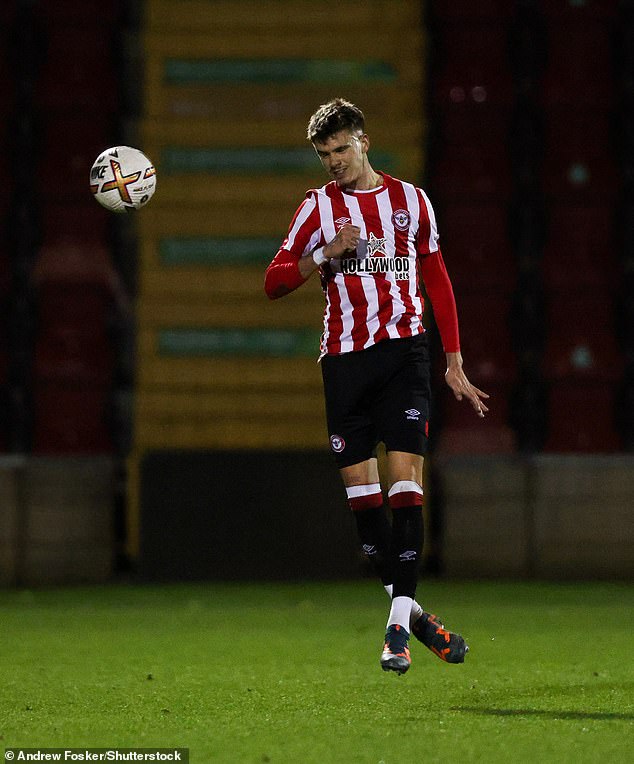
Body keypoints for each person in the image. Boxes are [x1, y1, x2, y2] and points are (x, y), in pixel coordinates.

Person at [264, 99, 488, 675]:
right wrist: (324, 253)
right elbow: (273, 281)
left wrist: (454, 361)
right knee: (365, 507)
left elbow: (436, 278)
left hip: (403, 355)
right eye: (324, 154)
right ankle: (414, 615)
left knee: (405, 488)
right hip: (342, 363)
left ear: (364, 141)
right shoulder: (317, 209)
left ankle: (395, 634)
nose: (334, 162)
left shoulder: (411, 202)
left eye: (341, 149)